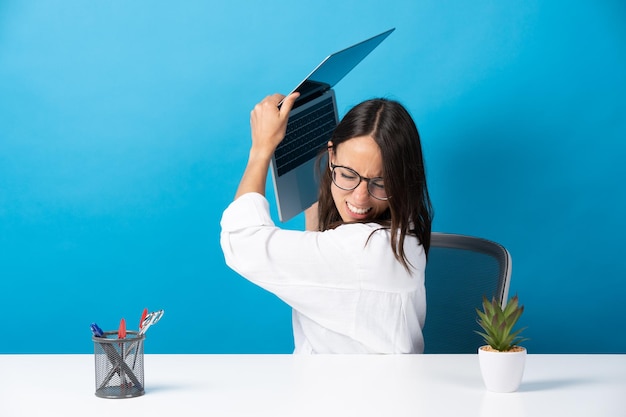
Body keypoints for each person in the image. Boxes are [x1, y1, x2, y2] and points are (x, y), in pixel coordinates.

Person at [220, 92, 433, 354]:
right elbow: (334, 278)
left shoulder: (364, 252)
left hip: (341, 393)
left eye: (380, 183)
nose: (359, 197)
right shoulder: (404, 235)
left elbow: (241, 241)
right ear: (331, 155)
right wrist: (316, 215)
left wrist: (261, 150)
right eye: (347, 174)